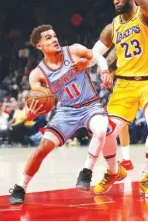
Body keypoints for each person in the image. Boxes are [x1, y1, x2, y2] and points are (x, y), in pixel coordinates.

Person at [9, 24, 126, 205]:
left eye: (54, 35)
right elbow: (38, 99)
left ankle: (86, 171)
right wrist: (30, 114)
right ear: (39, 46)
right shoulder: (37, 74)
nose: (54, 39)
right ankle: (20, 186)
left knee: (101, 129)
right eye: (48, 37)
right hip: (66, 112)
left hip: (90, 105)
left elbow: (97, 57)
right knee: (43, 149)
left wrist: (103, 70)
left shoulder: (74, 50)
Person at [92, 0, 148, 197]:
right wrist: (104, 67)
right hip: (124, 85)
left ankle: (147, 176)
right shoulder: (111, 28)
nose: (116, 0)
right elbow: (96, 52)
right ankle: (114, 171)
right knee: (105, 132)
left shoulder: (146, 17)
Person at [105, 48, 148, 170]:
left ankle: (128, 160)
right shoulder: (130, 49)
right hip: (133, 87)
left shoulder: (127, 51)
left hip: (141, 87)